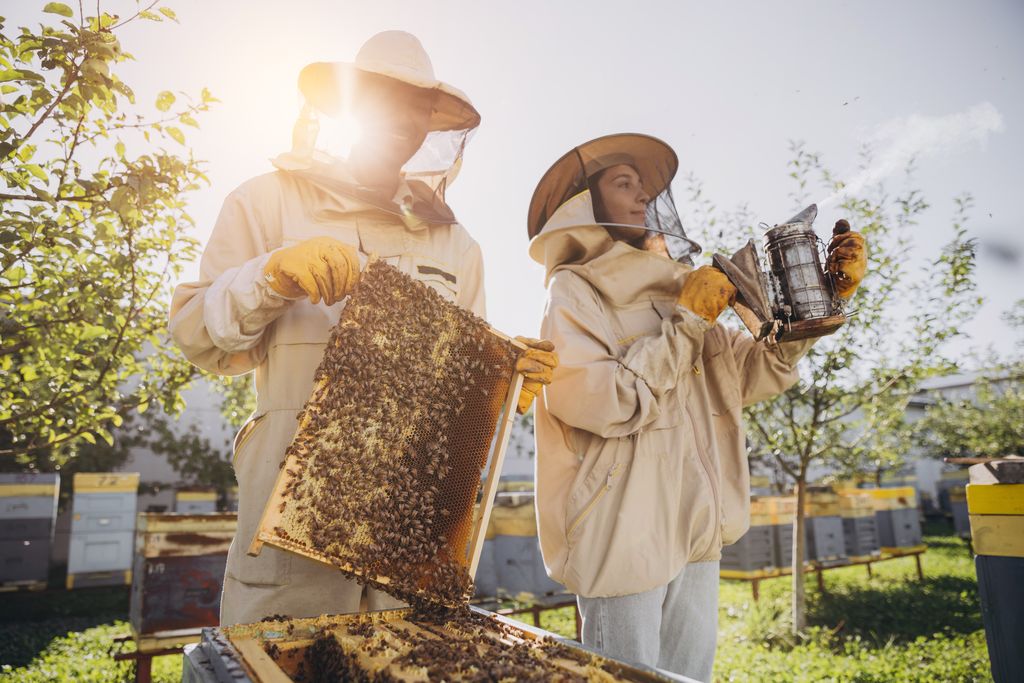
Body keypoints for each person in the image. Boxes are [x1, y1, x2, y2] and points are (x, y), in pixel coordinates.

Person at [169, 31, 557, 626]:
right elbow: (196, 333)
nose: (399, 119)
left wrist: (503, 380)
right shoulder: (265, 201)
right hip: (292, 504)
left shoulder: (456, 242)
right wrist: (271, 275)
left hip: (413, 516)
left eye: (414, 106)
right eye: (381, 98)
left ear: (429, 125)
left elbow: (460, 385)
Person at [525, 133, 866, 680]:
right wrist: (687, 323)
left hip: (697, 529)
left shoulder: (679, 293)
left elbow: (759, 371)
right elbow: (606, 401)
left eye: (645, 188)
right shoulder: (574, 291)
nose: (642, 199)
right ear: (585, 204)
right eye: (623, 184)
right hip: (622, 536)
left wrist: (819, 304)